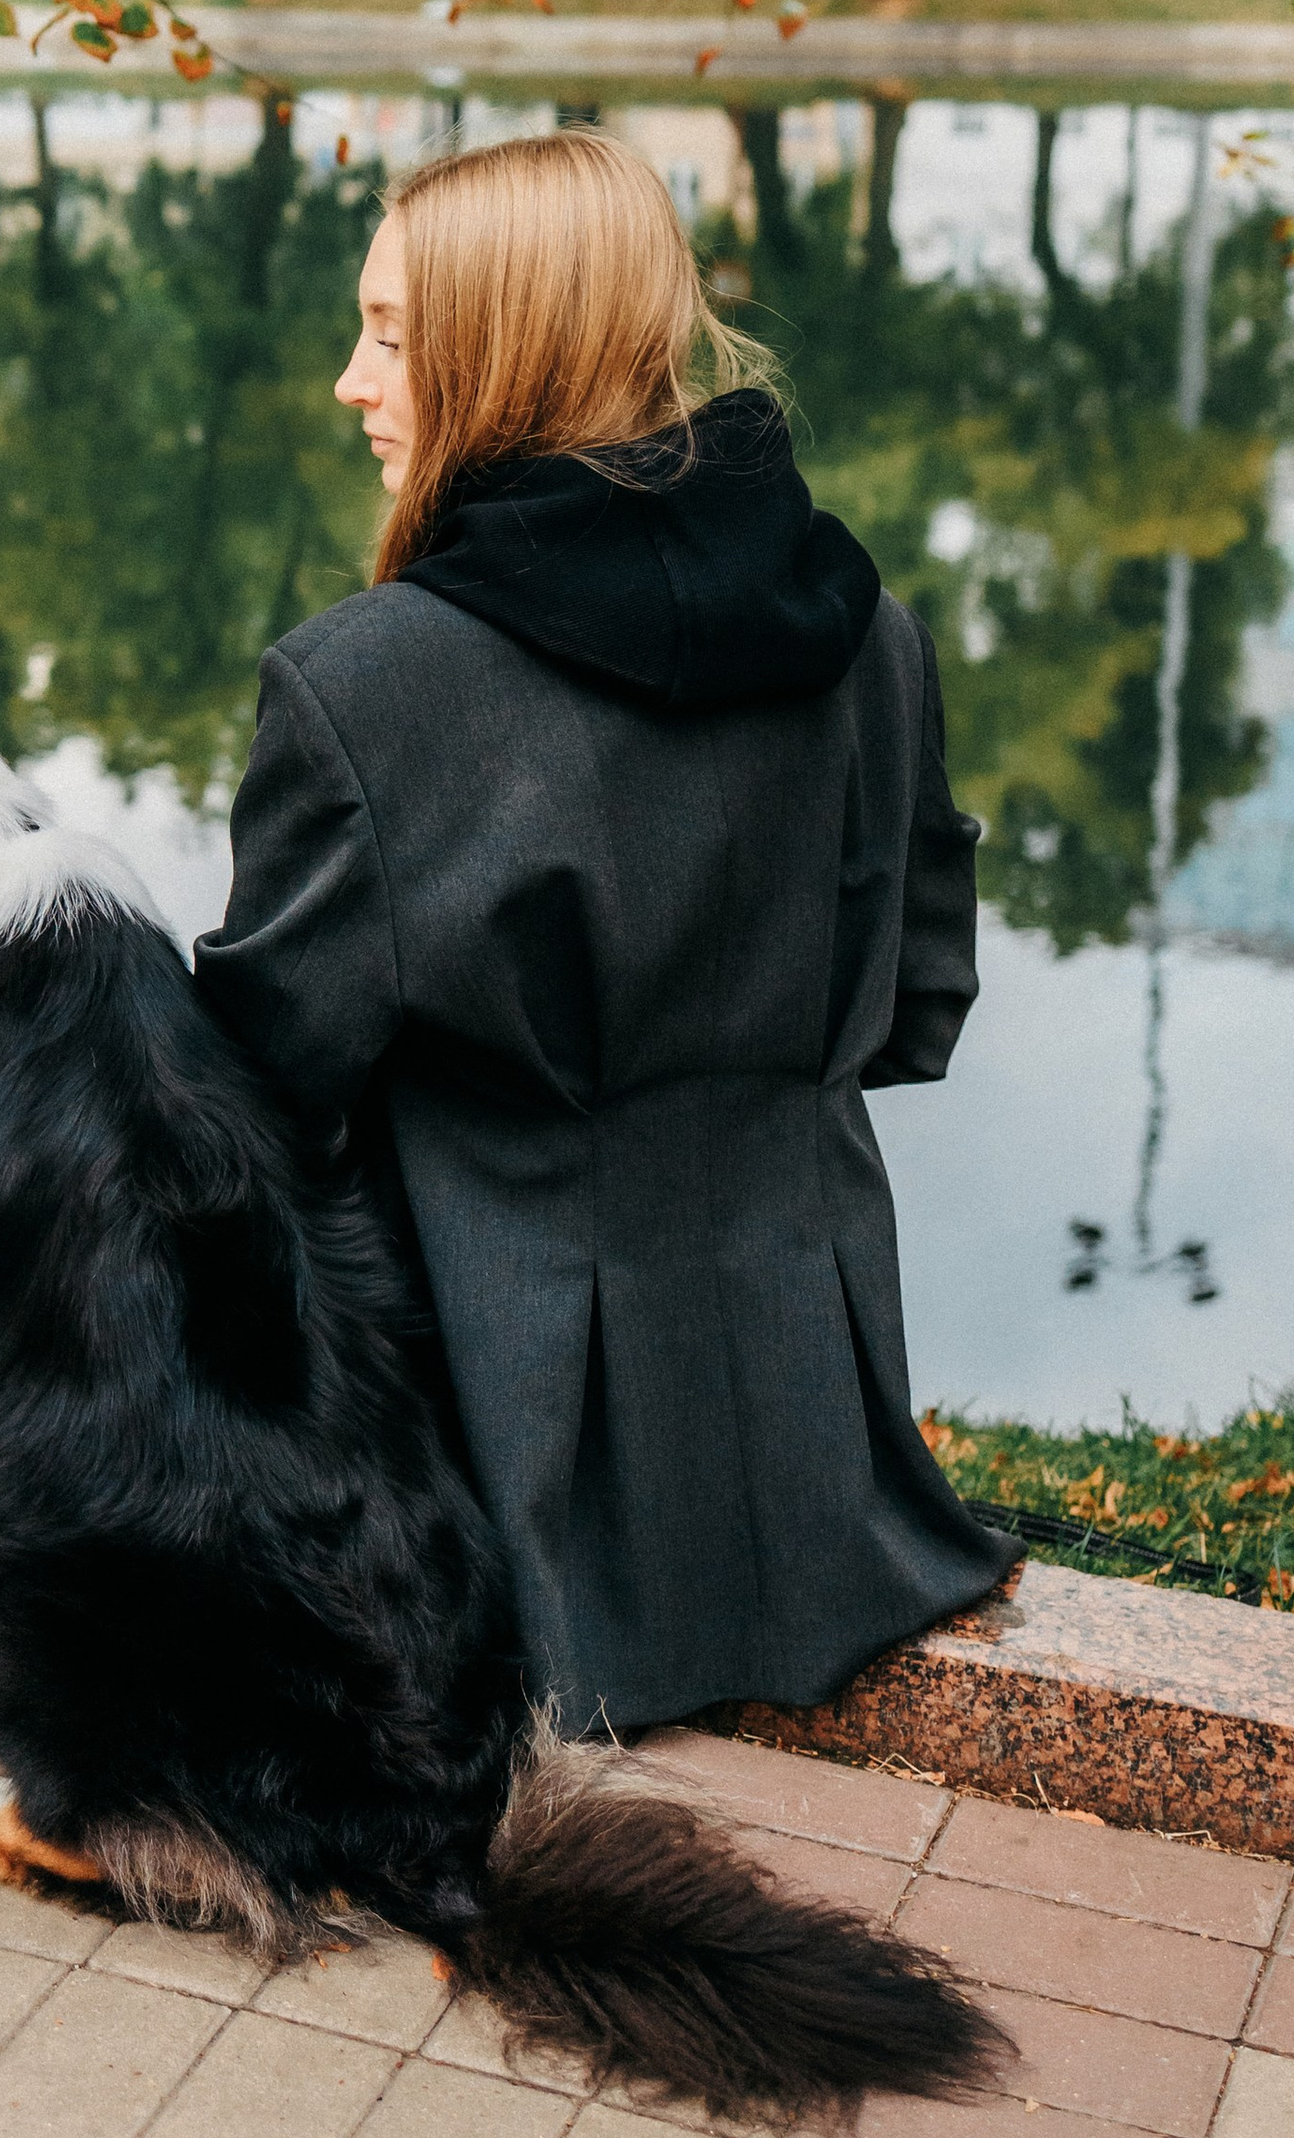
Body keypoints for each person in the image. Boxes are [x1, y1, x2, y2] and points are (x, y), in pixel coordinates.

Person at [194, 126, 1015, 1735]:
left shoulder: (366, 685)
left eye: (391, 338)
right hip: (821, 1462)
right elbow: (920, 1002)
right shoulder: (873, 632)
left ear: (511, 355)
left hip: (494, 1463)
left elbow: (253, 1108)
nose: (350, 383)